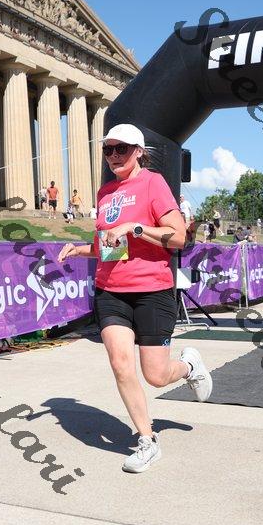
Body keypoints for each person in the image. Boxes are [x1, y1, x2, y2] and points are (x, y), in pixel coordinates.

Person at [58, 123, 212, 473]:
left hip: (151, 290)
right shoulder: (106, 192)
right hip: (111, 290)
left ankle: (189, 367)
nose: (113, 155)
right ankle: (147, 440)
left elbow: (178, 238)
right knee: (120, 363)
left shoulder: (153, 183)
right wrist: (80, 250)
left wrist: (135, 228)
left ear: (139, 151)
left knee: (156, 375)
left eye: (121, 148)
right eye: (108, 149)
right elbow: (109, 246)